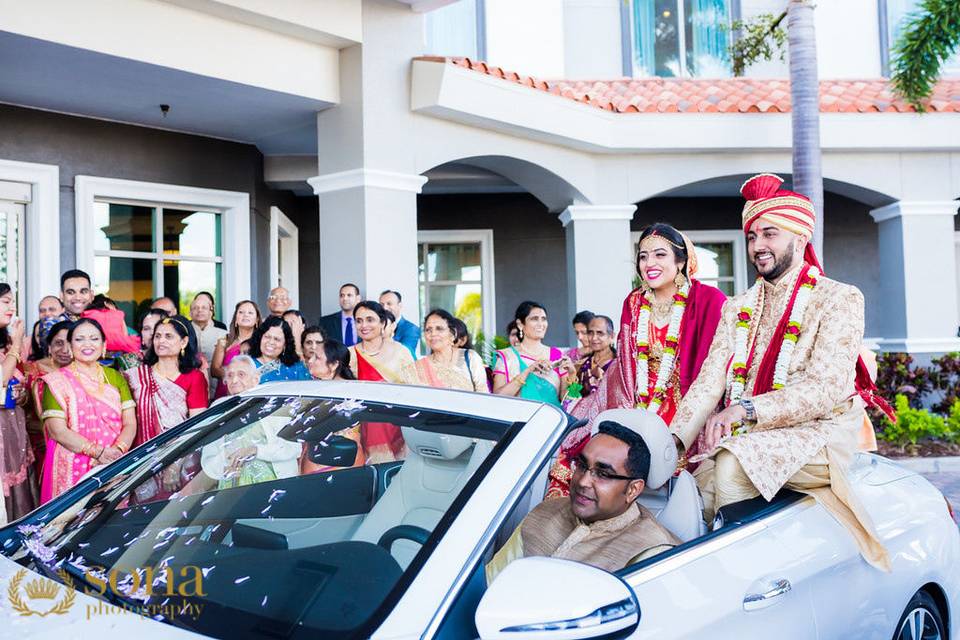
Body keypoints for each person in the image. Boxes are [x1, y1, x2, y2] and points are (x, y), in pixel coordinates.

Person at [671, 173, 892, 571]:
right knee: (690, 487)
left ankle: (744, 574)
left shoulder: (839, 298)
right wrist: (673, 441)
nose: (758, 246)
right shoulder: (737, 307)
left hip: (821, 430)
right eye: (752, 236)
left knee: (731, 464)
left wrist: (747, 410)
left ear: (801, 238)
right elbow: (709, 382)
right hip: (754, 433)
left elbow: (825, 387)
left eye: (769, 234)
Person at [550, 223, 728, 498]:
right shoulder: (634, 303)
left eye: (660, 255)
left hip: (687, 404)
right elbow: (626, 368)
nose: (649, 263)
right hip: (637, 400)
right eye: (643, 256)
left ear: (681, 261)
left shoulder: (707, 300)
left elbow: (714, 369)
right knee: (576, 455)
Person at [486, 411, 680, 583]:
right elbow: (489, 583)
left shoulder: (651, 551)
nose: (583, 481)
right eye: (581, 465)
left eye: (603, 474)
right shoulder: (544, 513)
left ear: (633, 490)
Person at [39, 319, 137, 503]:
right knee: (70, 524)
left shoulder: (116, 377)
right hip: (72, 463)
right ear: (69, 345)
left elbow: (130, 423)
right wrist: (98, 452)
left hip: (113, 462)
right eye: (80, 339)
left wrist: (115, 452)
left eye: (94, 339)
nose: (87, 344)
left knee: (111, 520)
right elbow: (56, 430)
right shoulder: (56, 381)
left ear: (104, 345)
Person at [125, 315, 209, 447]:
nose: (161, 341)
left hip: (177, 453)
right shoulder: (138, 376)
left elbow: (197, 424)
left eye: (168, 336)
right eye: (157, 336)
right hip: (139, 452)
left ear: (184, 342)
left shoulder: (195, 377)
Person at [348, 301, 415, 462]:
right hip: (365, 428)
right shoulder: (350, 355)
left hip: (398, 425)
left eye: (370, 319)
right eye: (359, 320)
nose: (364, 325)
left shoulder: (400, 351)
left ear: (383, 322)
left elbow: (413, 390)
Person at [0, 283, 37, 520]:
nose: (12, 307)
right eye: (5, 302)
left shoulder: (7, 345)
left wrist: (22, 395)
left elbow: (11, 383)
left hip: (14, 431)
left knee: (19, 498)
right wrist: (16, 344)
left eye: (12, 301)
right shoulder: (13, 345)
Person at [492, 301, 572, 407]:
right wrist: (527, 371)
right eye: (534, 319)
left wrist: (572, 374)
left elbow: (566, 400)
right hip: (519, 419)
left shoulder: (556, 355)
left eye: (544, 319)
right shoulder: (507, 356)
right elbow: (498, 398)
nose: (540, 324)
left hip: (552, 419)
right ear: (520, 324)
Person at [24, 320, 74, 476]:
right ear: (49, 347)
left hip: (76, 444)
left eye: (71, 343)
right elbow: (22, 407)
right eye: (59, 343)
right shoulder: (31, 370)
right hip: (39, 446)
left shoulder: (83, 373)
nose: (65, 350)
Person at [401, 309, 488, 393]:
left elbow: (483, 394)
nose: (433, 334)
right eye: (428, 330)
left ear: (453, 334)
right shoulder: (417, 368)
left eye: (439, 328)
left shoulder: (469, 357)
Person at [211, 300, 261, 398]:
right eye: (241, 312)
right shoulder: (224, 341)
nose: (245, 315)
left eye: (250, 313)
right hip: (225, 392)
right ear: (236, 319)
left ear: (257, 320)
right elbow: (214, 370)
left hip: (253, 393)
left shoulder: (262, 342)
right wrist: (234, 376)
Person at [247, 316, 311, 382]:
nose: (271, 342)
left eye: (277, 339)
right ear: (260, 338)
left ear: (285, 345)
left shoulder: (297, 368)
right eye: (267, 337)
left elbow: (309, 389)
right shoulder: (245, 364)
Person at [569, 315, 616, 400]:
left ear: (612, 336)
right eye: (590, 333)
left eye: (600, 333)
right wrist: (572, 375)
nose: (594, 338)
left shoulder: (619, 366)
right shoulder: (581, 365)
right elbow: (573, 397)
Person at [379, 290, 421, 357]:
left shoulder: (411, 329)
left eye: (389, 304)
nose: (384, 308)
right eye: (381, 304)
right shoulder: (374, 326)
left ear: (400, 305)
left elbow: (405, 354)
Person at [190, 292, 227, 363]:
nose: (200, 310)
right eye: (196, 307)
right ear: (190, 313)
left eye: (204, 307)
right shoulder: (185, 328)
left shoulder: (222, 332)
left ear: (211, 310)